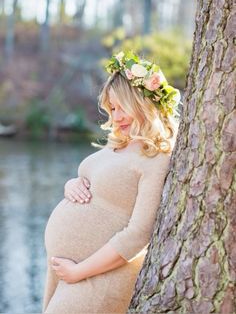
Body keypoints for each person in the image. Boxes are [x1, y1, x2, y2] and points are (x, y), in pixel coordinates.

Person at [42, 51, 181, 314]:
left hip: (98, 277)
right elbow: (94, 182)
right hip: (68, 272)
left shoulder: (157, 156)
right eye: (112, 108)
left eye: (122, 106)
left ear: (142, 103)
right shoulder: (119, 144)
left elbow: (139, 234)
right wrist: (71, 184)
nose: (116, 117)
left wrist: (78, 271)